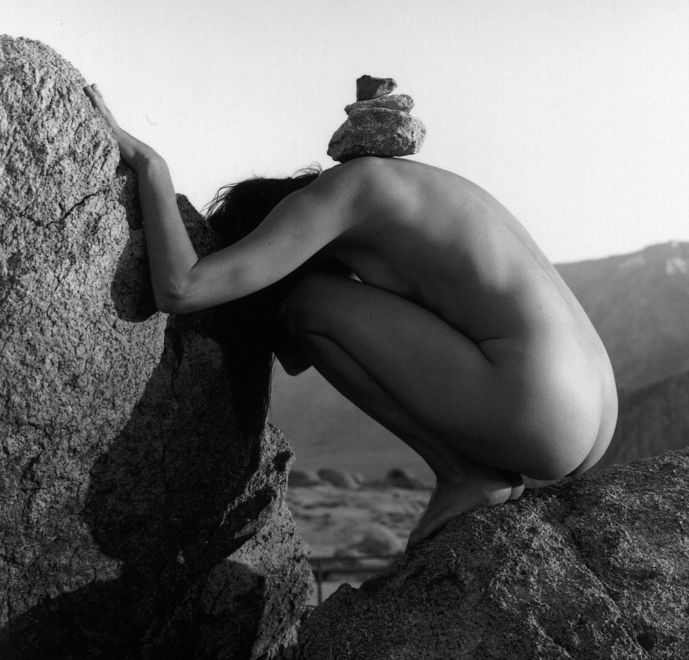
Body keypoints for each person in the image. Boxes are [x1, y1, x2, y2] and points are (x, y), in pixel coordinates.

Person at [84, 83, 617, 548]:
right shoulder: (405, 187)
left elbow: (181, 288)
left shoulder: (331, 201)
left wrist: (151, 166)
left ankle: (463, 473)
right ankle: (474, 468)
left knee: (308, 305)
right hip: (592, 408)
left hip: (538, 411)